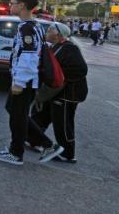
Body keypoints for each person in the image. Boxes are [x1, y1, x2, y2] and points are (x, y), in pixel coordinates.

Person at [0, 0, 43, 166]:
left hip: (25, 81)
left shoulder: (28, 27)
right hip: (25, 79)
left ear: (22, 5)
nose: (10, 6)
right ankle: (44, 143)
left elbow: (29, 57)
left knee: (17, 115)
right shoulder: (32, 25)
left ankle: (16, 152)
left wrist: (19, 82)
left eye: (12, 3)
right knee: (14, 110)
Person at [26, 23, 88, 163]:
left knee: (63, 124)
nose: (47, 32)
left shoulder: (69, 48)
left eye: (49, 30)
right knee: (40, 116)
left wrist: (59, 77)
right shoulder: (55, 47)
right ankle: (32, 140)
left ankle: (67, 154)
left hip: (67, 94)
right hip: (54, 92)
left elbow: (80, 70)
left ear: (58, 35)